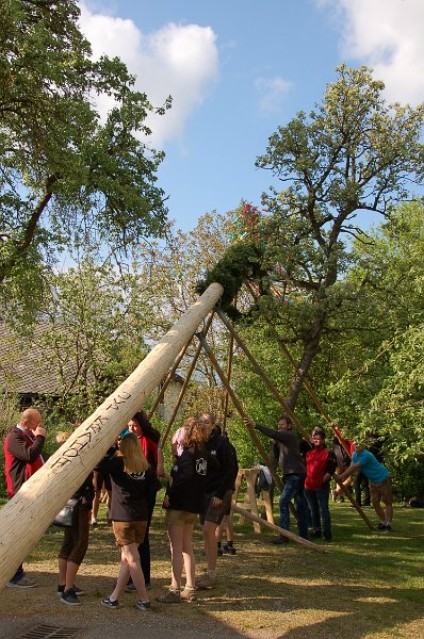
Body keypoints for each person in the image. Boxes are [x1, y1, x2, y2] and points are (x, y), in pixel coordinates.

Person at [97, 432, 159, 611]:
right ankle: (114, 597)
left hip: (123, 517)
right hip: (140, 517)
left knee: (132, 559)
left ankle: (144, 600)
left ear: (122, 446)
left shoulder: (118, 463)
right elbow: (153, 490)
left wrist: (110, 448)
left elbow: (99, 466)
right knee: (127, 558)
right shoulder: (146, 467)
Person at [157, 417, 211, 604]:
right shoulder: (204, 456)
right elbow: (213, 471)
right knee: (187, 547)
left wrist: (170, 494)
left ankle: (174, 589)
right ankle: (190, 587)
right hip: (193, 507)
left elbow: (183, 478)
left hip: (179, 506)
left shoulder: (187, 456)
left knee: (176, 549)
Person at [248, 414, 309, 543]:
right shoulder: (282, 439)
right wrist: (275, 445)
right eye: (279, 424)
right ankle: (303, 534)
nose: (280, 426)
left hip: (295, 474)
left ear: (289, 426)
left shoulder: (289, 435)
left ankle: (284, 535)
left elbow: (274, 433)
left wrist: (256, 425)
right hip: (292, 474)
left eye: (282, 424)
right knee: (300, 504)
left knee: (283, 502)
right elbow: (276, 455)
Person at [3, 407, 46, 588]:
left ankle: (16, 572)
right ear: (28, 423)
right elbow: (29, 455)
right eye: (37, 422)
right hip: (19, 492)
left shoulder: (26, 436)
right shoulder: (14, 437)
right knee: (17, 534)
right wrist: (40, 437)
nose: (40, 426)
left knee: (23, 533)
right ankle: (15, 575)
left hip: (27, 491)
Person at [55, 428, 94, 606]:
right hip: (77, 505)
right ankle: (68, 589)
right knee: (79, 544)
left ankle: (63, 584)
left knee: (69, 543)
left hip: (69, 503)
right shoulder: (76, 458)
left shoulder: (62, 457)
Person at [196, 413, 235, 589]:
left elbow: (231, 470)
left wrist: (220, 494)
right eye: (200, 421)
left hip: (219, 492)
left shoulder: (222, 444)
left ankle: (211, 575)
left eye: (206, 422)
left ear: (213, 425)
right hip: (203, 492)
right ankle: (208, 570)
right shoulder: (199, 443)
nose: (202, 424)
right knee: (205, 532)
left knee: (208, 529)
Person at [126, 410, 161, 592]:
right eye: (129, 426)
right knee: (130, 537)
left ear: (142, 426)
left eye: (135, 426)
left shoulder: (147, 441)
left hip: (145, 492)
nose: (131, 429)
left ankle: (143, 577)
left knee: (141, 536)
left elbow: (149, 466)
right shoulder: (130, 440)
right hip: (133, 493)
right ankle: (130, 576)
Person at [337, 440, 393, 532]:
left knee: (387, 502)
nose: (357, 445)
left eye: (360, 444)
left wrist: (341, 476)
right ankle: (383, 522)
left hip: (383, 478)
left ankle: (388, 524)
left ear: (364, 445)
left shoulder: (367, 455)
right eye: (355, 443)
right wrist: (343, 477)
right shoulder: (355, 454)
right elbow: (351, 466)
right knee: (375, 502)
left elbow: (355, 467)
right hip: (373, 480)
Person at [304, 427, 337, 542]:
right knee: (313, 509)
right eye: (314, 438)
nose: (316, 440)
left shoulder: (328, 452)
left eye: (318, 439)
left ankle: (327, 534)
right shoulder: (309, 453)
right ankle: (316, 531)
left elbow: (331, 469)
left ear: (323, 440)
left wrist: (324, 478)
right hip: (309, 485)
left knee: (324, 509)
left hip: (321, 486)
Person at [215, 428, 239, 556]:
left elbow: (231, 468)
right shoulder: (230, 447)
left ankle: (217, 545)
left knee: (219, 517)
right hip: (228, 485)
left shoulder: (223, 448)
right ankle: (229, 544)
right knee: (226, 515)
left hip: (222, 487)